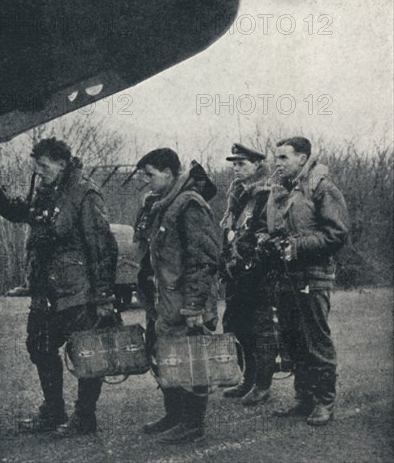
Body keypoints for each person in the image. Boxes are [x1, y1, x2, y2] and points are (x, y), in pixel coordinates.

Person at [0, 138, 118, 435]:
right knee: (39, 346)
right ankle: (54, 411)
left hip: (77, 289)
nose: (39, 170)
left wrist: (103, 295)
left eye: (44, 165)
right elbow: (20, 213)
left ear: (62, 163)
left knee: (86, 352)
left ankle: (85, 416)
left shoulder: (84, 192)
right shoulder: (45, 191)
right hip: (45, 289)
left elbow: (102, 246)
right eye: (37, 165)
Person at [135, 149, 221, 445]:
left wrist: (194, 306)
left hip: (187, 301)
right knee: (167, 356)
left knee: (190, 360)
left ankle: (192, 423)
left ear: (170, 174)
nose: (146, 181)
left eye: (150, 174)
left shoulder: (189, 205)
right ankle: (174, 416)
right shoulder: (164, 204)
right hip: (169, 299)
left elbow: (203, 258)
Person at [267, 137, 348, 426]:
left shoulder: (322, 188)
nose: (277, 163)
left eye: (283, 158)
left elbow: (337, 234)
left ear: (302, 158)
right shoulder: (283, 191)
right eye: (276, 158)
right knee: (293, 339)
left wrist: (298, 246)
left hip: (314, 275)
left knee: (316, 341)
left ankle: (324, 401)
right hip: (287, 277)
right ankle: (304, 398)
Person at [220, 143, 277, 405]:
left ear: (256, 165)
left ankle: (262, 385)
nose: (236, 169)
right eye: (234, 164)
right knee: (236, 326)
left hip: (258, 274)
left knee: (261, 330)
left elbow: (267, 232)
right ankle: (248, 378)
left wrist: (253, 259)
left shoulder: (266, 194)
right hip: (236, 274)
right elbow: (231, 230)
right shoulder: (238, 194)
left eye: (241, 164)